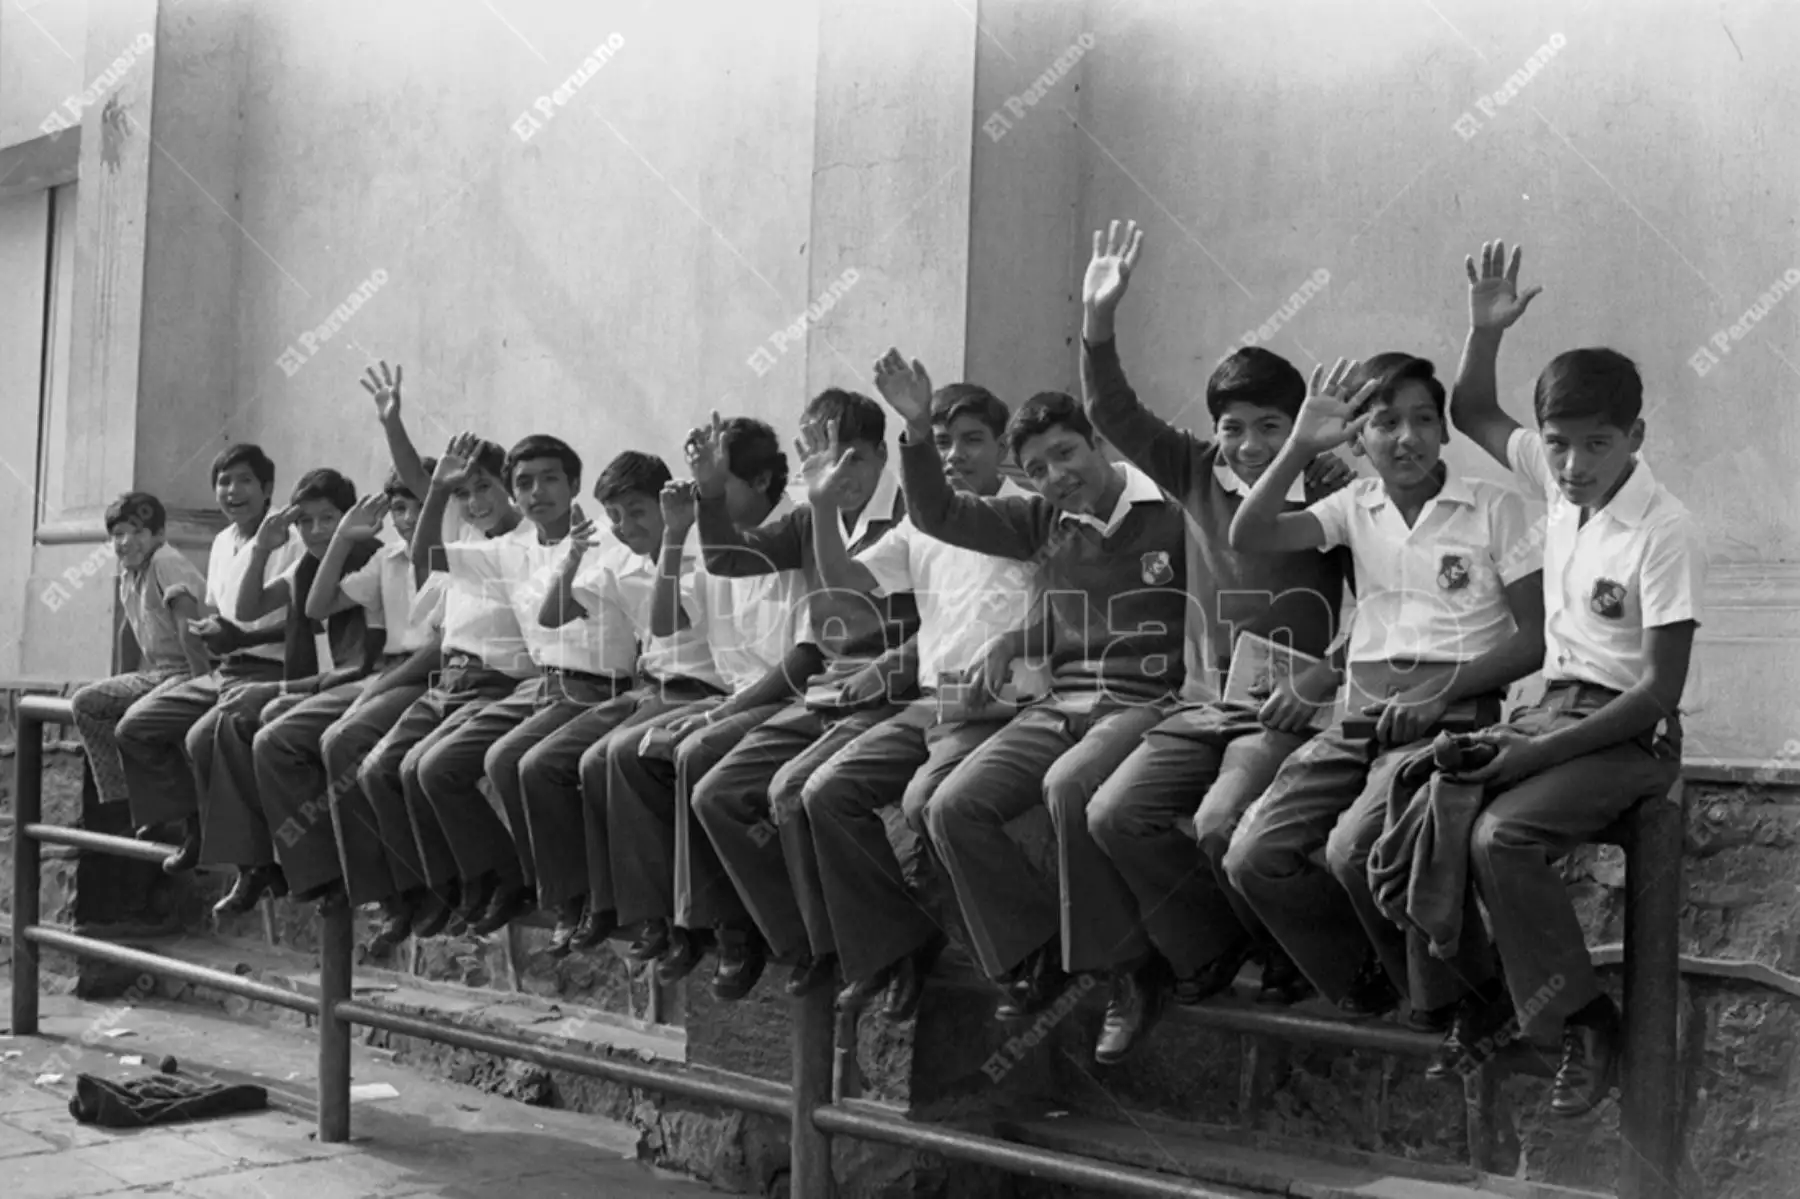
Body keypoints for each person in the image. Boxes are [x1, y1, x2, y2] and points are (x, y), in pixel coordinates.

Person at [1075, 221, 1355, 1056]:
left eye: (1271, 425)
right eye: (1235, 427)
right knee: (1112, 811)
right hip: (1206, 705)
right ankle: (1211, 944)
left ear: (1299, 424)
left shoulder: (1333, 486)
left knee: (1221, 822)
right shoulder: (1196, 469)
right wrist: (1098, 320)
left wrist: (1326, 676)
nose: (1250, 443)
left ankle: (1299, 950)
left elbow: (1383, 597)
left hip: (1286, 707)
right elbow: (1108, 410)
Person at [1440, 240, 1700, 1115]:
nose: (1576, 464)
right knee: (1421, 801)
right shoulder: (1555, 489)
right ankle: (1481, 1003)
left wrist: (1524, 759)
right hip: (1550, 713)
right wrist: (1485, 331)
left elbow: (1658, 692)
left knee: (1499, 835)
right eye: (1558, 445)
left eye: (1597, 444)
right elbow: (1469, 405)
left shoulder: (1662, 528)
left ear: (1636, 436)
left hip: (1628, 734)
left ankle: (1583, 1022)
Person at [1224, 352, 1545, 1034]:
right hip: (1360, 716)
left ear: (1444, 431)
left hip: (1452, 719)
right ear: (1358, 440)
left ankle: (1459, 998)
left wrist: (1439, 691)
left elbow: (1533, 640)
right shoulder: (1352, 506)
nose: (1407, 437)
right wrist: (1300, 448)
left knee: (1353, 847)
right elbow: (1247, 534)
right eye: (1385, 422)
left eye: (1424, 419)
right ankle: (1370, 974)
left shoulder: (1495, 508)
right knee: (1252, 853)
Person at [888, 362, 1189, 1046]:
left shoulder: (1173, 511)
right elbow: (937, 512)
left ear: (1096, 445)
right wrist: (913, 428)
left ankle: (1130, 969)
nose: (1057, 475)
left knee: (1068, 784)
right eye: (1038, 467)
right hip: (1058, 702)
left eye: (1065, 453)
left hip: (1147, 700)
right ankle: (1037, 954)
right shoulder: (1042, 521)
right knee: (949, 805)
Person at [788, 379, 1036, 1022]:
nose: (955, 454)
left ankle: (1025, 957)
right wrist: (820, 507)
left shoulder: (1033, 513)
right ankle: (899, 945)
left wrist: (1014, 645)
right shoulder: (922, 523)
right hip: (930, 703)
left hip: (1005, 704)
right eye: (944, 442)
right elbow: (845, 586)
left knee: (929, 801)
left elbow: (1067, 612)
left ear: (1003, 445)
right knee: (823, 792)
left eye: (971, 440)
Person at [688, 390, 922, 1001]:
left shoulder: (914, 512)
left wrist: (893, 668)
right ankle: (804, 941)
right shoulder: (807, 519)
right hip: (823, 693)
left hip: (894, 691)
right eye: (818, 453)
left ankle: (896, 946)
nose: (836, 473)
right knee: (717, 792)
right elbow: (725, 560)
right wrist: (711, 491)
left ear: (876, 454)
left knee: (796, 792)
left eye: (849, 457)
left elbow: (949, 619)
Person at [603, 418, 810, 981]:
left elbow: (805, 661)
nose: (707, 502)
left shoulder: (800, 528)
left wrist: (719, 712)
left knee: (696, 752)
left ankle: (736, 926)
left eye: (718, 486)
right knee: (630, 753)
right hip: (738, 696)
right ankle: (672, 919)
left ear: (762, 479)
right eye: (702, 490)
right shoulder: (716, 537)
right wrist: (674, 535)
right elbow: (665, 622)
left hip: (792, 697)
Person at [518, 451, 728, 955]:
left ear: (666, 507)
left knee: (608, 758)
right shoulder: (621, 560)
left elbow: (664, 624)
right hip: (649, 689)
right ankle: (584, 897)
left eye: (636, 512)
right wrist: (570, 563)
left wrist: (675, 537)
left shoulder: (702, 557)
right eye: (613, 515)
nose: (623, 526)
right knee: (538, 763)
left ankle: (661, 915)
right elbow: (552, 616)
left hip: (701, 690)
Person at [252, 455, 444, 941]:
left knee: (345, 740)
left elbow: (441, 647)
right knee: (274, 738)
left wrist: (379, 687)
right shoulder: (388, 559)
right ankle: (322, 872)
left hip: (431, 675)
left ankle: (393, 891)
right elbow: (316, 608)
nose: (408, 519)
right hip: (388, 674)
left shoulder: (454, 559)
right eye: (399, 508)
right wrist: (342, 539)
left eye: (420, 507)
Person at [356, 432, 531, 939]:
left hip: (500, 681)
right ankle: (432, 884)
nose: (475, 503)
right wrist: (395, 428)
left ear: (509, 490)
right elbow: (425, 544)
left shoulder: (525, 544)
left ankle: (500, 873)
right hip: (448, 679)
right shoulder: (470, 538)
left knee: (427, 770)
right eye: (464, 494)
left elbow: (426, 550)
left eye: (485, 489)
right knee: (375, 769)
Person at [198, 468, 379, 913]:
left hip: (356, 685)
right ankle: (255, 862)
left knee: (272, 727)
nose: (317, 531)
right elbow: (247, 609)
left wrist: (282, 689)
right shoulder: (307, 565)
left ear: (350, 517)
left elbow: (360, 665)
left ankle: (322, 871)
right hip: (315, 683)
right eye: (307, 521)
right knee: (220, 727)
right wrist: (262, 546)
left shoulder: (370, 560)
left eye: (329, 518)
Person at [115, 445, 304, 872]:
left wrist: (240, 635)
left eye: (244, 480)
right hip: (224, 668)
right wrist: (208, 631)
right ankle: (194, 823)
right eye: (223, 481)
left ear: (268, 488)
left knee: (205, 737)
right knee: (135, 727)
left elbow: (301, 621)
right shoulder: (221, 541)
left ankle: (253, 865)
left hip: (270, 669)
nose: (232, 491)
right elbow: (217, 611)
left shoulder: (290, 542)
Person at [71, 492, 210, 815]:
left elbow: (187, 622)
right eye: (118, 534)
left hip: (195, 669)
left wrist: (204, 685)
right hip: (160, 672)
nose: (126, 541)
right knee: (87, 703)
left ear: (159, 535)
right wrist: (122, 679)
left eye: (138, 532)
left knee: (138, 720)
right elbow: (128, 632)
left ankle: (168, 810)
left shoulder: (165, 561)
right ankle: (124, 798)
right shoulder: (128, 571)